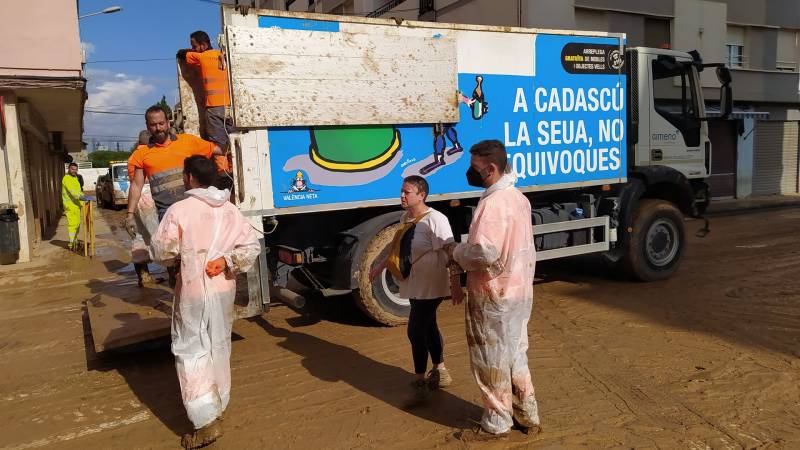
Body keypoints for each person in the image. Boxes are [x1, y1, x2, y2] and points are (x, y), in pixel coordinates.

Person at [151, 155, 260, 449]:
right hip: (224, 288)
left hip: (193, 292)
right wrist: (226, 260)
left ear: (188, 177)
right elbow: (251, 247)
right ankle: (220, 401)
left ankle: (205, 420)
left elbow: (161, 250)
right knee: (219, 344)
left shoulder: (179, 210)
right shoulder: (230, 210)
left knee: (190, 349)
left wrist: (185, 255)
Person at [446, 140, 541, 441]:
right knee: (515, 354)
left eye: (475, 169)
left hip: (494, 295)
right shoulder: (518, 198)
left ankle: (498, 422)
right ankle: (527, 412)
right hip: (519, 292)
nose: (471, 173)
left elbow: (484, 253)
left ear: (491, 169)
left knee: (491, 361)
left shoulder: (493, 204)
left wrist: (455, 251)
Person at [369, 175, 463, 406]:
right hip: (413, 282)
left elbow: (451, 250)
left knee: (415, 330)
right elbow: (397, 247)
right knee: (429, 325)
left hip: (432, 284)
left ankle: (420, 381)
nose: (402, 195)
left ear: (421, 195)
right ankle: (440, 371)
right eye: (401, 191)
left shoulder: (436, 219)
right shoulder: (406, 217)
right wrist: (380, 267)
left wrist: (456, 284)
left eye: (407, 192)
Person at [177, 30, 233, 191]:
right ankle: (236, 170)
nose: (193, 49)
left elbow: (181, 54)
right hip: (232, 109)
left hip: (214, 109)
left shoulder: (201, 57)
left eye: (194, 46)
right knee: (234, 142)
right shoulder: (225, 56)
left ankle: (224, 176)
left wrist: (187, 51)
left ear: (204, 45)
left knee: (219, 147)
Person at [61, 162, 89, 250]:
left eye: (76, 169)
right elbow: (73, 192)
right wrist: (82, 197)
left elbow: (78, 190)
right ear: (69, 169)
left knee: (77, 224)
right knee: (73, 225)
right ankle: (71, 244)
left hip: (76, 205)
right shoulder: (66, 178)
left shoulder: (75, 178)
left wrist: (84, 196)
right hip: (70, 205)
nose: (74, 171)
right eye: (72, 169)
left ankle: (75, 241)